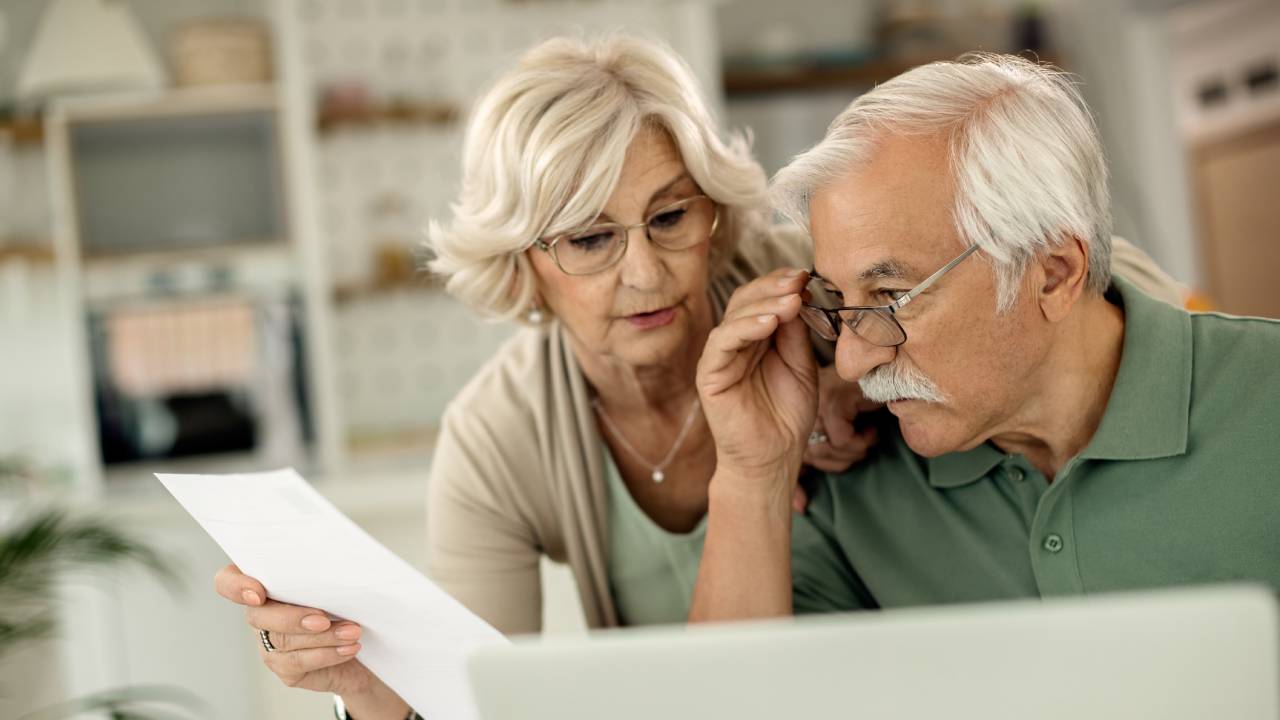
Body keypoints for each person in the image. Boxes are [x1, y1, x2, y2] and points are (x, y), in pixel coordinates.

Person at [212, 40, 1181, 718]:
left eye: (670, 217)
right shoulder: (498, 437)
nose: (646, 272)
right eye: (590, 238)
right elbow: (470, 698)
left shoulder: (814, 279)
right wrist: (371, 690)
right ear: (521, 263)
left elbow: (1097, 287)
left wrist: (876, 343)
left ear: (711, 209)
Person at [688, 53, 1280, 623]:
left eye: (891, 297)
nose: (848, 361)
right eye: (838, 301)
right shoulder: (854, 477)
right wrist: (752, 473)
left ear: (1053, 274)